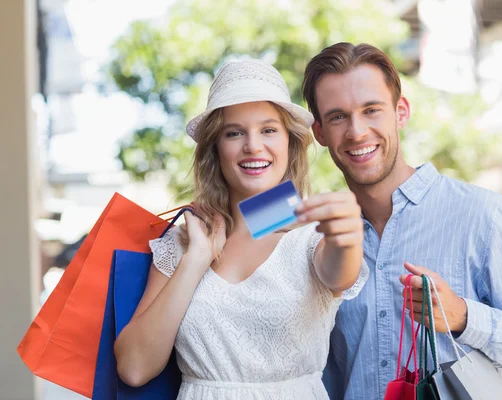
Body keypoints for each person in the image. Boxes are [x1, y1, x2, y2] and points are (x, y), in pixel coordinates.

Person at [302, 42, 502, 400]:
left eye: (371, 110)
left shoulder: (482, 215)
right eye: (338, 116)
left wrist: (463, 318)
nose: (356, 132)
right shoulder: (319, 241)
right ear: (319, 132)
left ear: (400, 112)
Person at [114, 58, 369, 399]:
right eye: (234, 133)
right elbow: (134, 368)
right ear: (215, 148)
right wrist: (195, 261)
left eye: (268, 130)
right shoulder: (185, 240)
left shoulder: (314, 234)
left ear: (289, 143)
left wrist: (348, 237)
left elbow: (340, 274)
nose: (252, 146)